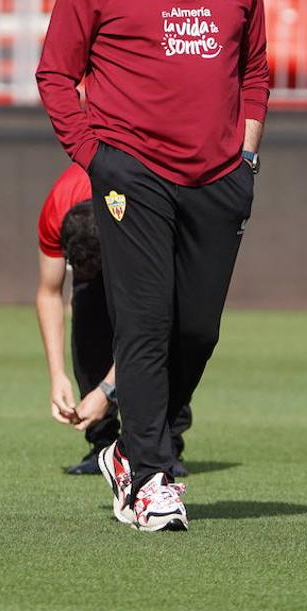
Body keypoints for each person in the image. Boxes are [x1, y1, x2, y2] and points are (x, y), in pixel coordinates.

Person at [35, 0, 270, 532]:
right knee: (144, 323)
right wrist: (93, 155)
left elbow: (254, 72)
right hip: (132, 172)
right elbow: (55, 73)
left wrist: (248, 158)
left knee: (196, 328)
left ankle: (137, 455)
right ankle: (148, 473)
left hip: (220, 175)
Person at [35, 164, 191, 476]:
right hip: (108, 228)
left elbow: (147, 329)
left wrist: (107, 391)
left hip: (145, 232)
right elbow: (49, 293)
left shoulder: (137, 211)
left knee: (168, 339)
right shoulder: (56, 210)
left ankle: (166, 443)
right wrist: (57, 376)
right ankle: (103, 445)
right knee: (88, 322)